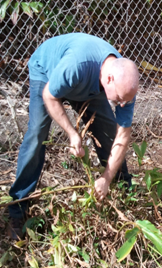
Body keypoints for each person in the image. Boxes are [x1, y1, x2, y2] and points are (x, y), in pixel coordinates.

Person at [7, 33, 139, 240]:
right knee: (37, 135)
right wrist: (72, 134)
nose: (122, 104)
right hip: (47, 73)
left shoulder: (125, 84)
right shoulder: (77, 65)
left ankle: (123, 193)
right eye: (120, 99)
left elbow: (122, 137)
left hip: (88, 86)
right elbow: (50, 95)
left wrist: (106, 177)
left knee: (108, 134)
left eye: (126, 100)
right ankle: (17, 208)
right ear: (109, 79)